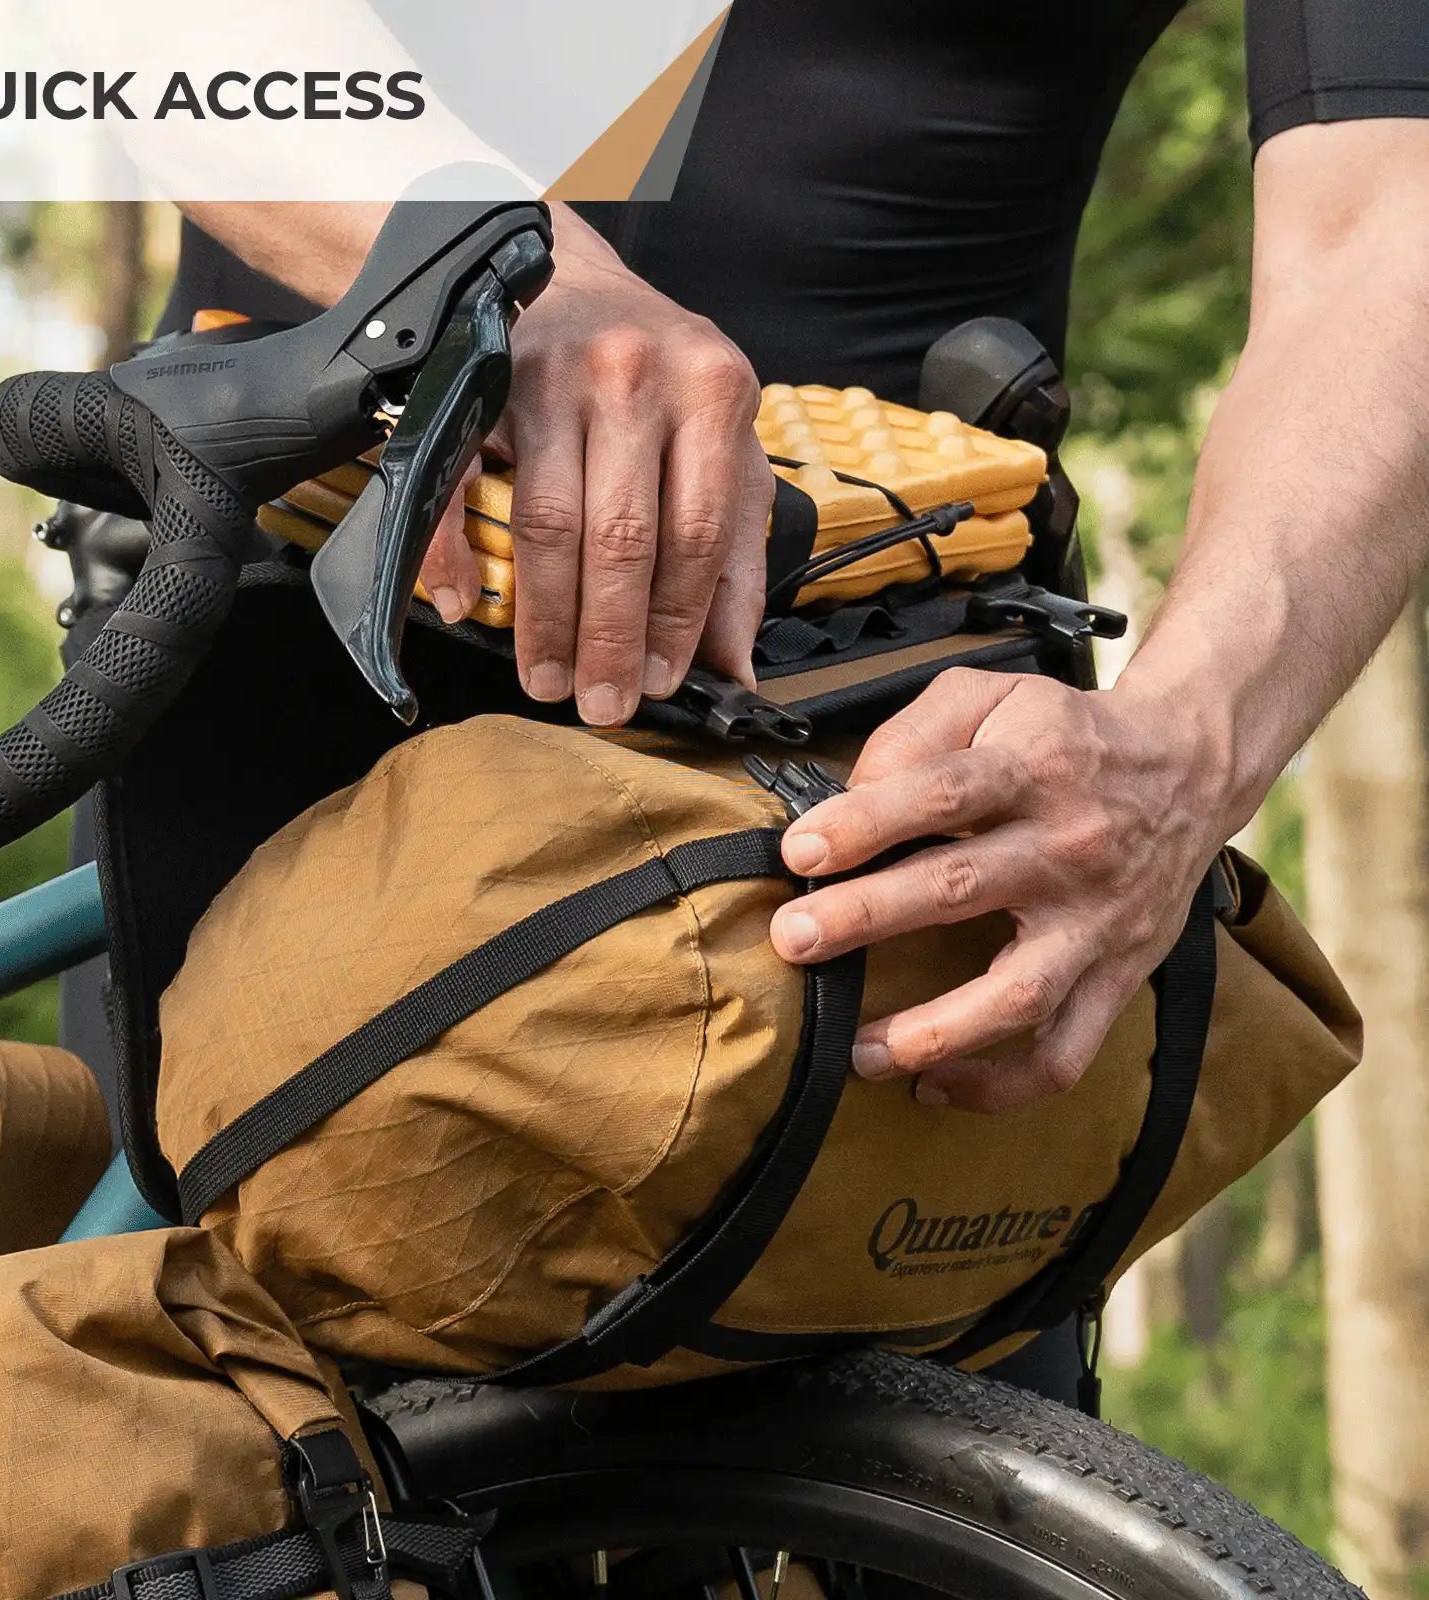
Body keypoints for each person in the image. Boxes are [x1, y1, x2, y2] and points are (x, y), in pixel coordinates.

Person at [71, 0, 1429, 1402]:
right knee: (200, 1490)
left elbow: (1387, 219)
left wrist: (1182, 745)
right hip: (306, 651)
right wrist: (496, 268)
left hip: (908, 735)